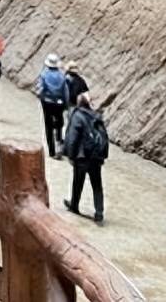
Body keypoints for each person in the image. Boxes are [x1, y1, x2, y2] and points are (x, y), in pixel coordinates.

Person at [62, 94, 108, 224]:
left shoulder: (77, 115)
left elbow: (73, 137)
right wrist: (103, 155)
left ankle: (74, 205)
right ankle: (99, 212)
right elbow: (104, 136)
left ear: (79, 103)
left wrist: (70, 155)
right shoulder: (96, 116)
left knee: (78, 182)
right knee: (97, 185)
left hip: (82, 156)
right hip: (96, 157)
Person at [34, 53, 67, 159]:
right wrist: (65, 104)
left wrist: (39, 96)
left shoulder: (44, 74)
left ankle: (52, 151)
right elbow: (65, 91)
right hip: (59, 103)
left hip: (47, 102)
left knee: (48, 126)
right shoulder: (62, 76)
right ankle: (59, 146)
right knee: (59, 125)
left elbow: (41, 88)